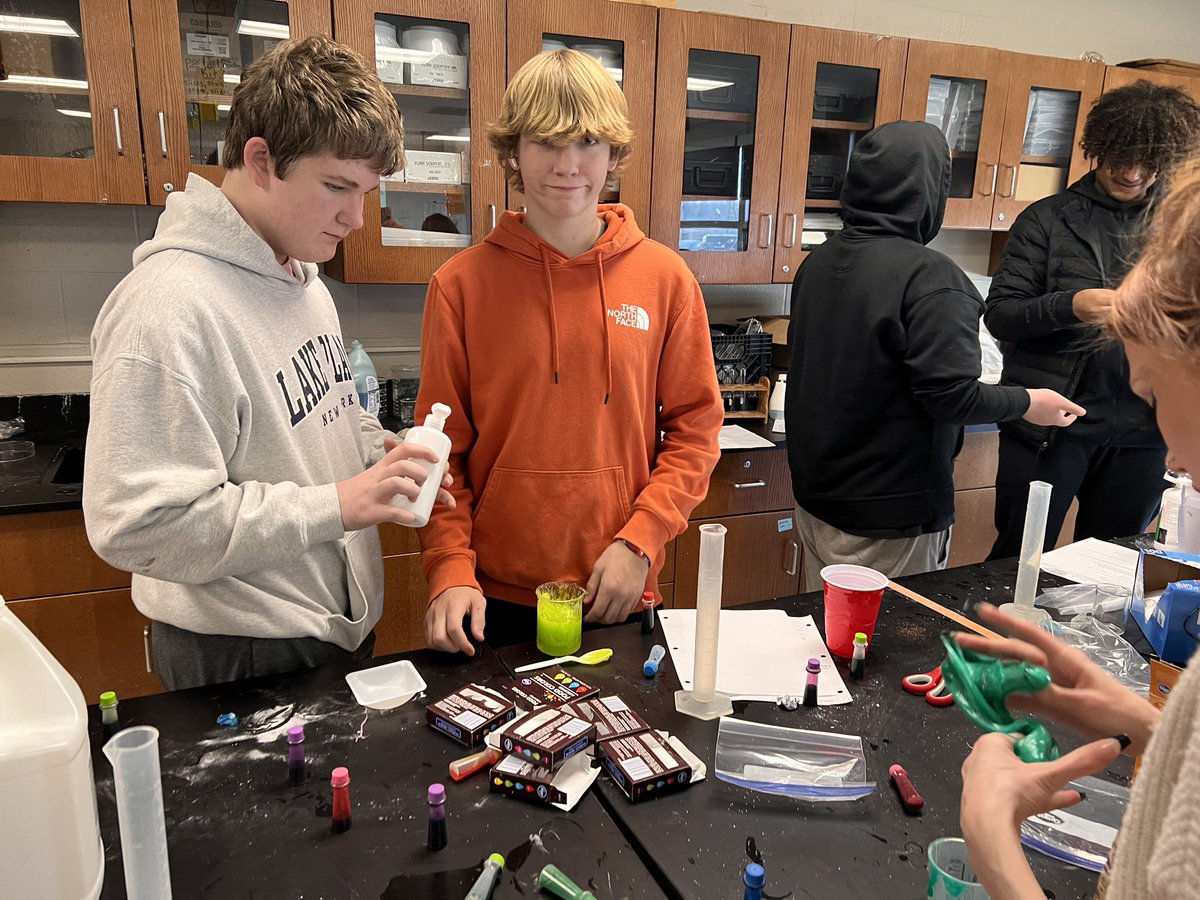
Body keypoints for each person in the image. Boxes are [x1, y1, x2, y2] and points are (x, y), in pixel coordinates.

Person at [83, 37, 453, 691]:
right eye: (337, 187)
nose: (356, 218)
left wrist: (382, 458)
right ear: (260, 159)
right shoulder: (166, 309)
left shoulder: (303, 278)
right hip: (242, 651)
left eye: (366, 191)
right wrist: (339, 505)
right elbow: (137, 526)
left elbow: (322, 418)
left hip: (325, 627)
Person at [417, 49, 723, 654]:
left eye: (586, 141)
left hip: (617, 587)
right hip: (490, 601)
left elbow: (695, 431)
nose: (567, 165)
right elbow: (438, 452)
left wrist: (642, 541)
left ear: (613, 155)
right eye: (544, 142)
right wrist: (448, 567)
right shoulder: (460, 285)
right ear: (513, 153)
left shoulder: (666, 279)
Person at [959, 155, 1200, 898]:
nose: (1181, 463)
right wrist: (1154, 730)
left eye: (1155, 393)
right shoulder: (1051, 222)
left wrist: (993, 840)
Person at [785, 121, 1083, 591]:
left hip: (817, 499)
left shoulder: (818, 261)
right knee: (881, 649)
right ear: (930, 190)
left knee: (825, 640)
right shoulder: (932, 278)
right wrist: (1029, 402)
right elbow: (950, 397)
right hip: (889, 511)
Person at [985, 80, 1200, 561]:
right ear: (1097, 148)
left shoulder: (1179, 228)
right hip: (1051, 429)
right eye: (1119, 156)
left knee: (1110, 566)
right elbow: (1000, 314)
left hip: (1144, 435)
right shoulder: (1048, 219)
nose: (1131, 172)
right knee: (1017, 559)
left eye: (1148, 161)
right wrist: (1071, 305)